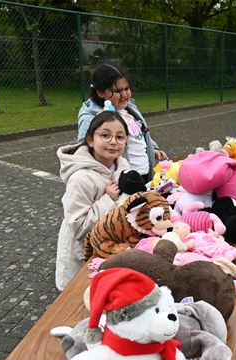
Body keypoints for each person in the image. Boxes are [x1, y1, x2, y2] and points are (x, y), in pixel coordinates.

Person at [56, 111, 131, 290]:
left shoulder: (123, 166)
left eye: (120, 137)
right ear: (90, 139)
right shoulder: (80, 178)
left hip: (108, 250)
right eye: (105, 135)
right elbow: (78, 226)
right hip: (82, 257)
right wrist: (108, 199)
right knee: (78, 303)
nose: (113, 141)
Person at [77, 63, 165, 183]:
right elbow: (83, 149)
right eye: (117, 90)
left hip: (144, 174)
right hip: (122, 181)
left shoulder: (129, 108)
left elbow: (140, 133)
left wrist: (152, 147)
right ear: (100, 92)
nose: (124, 95)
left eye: (126, 89)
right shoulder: (92, 116)